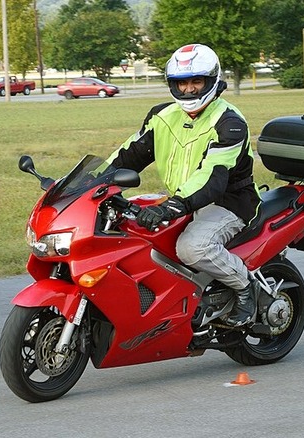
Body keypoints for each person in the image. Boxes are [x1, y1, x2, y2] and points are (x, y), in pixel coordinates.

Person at [107, 43, 261, 327]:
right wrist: (92, 184)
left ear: (211, 80)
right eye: (181, 83)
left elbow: (212, 177)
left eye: (196, 81)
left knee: (192, 248)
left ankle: (245, 287)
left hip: (227, 201)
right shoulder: (162, 116)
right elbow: (128, 155)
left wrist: (173, 206)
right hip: (183, 200)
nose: (189, 90)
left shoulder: (229, 123)